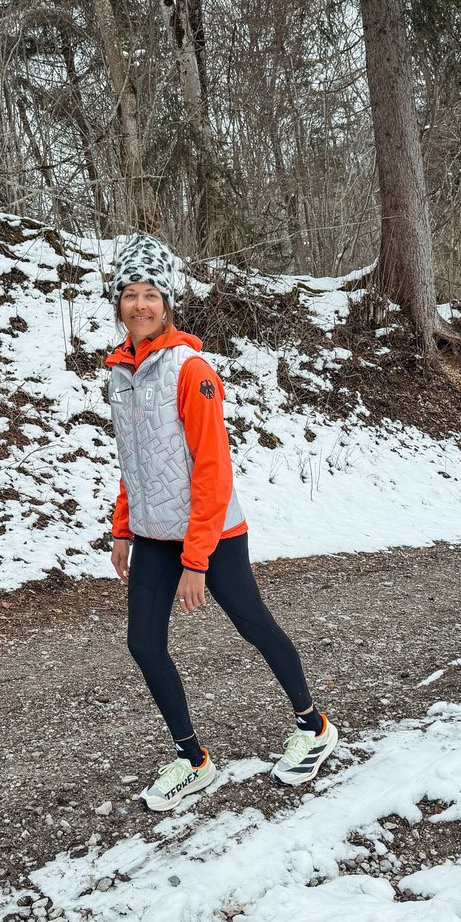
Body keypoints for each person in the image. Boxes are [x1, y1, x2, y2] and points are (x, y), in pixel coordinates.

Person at [106, 233, 337, 811]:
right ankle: (194, 761)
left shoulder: (192, 369)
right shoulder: (119, 372)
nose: (140, 305)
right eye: (130, 294)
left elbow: (212, 470)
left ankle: (314, 727)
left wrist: (196, 560)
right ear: (118, 304)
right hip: (155, 536)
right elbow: (134, 460)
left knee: (254, 626)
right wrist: (122, 528)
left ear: (168, 303)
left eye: (151, 294)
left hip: (214, 534)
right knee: (143, 644)